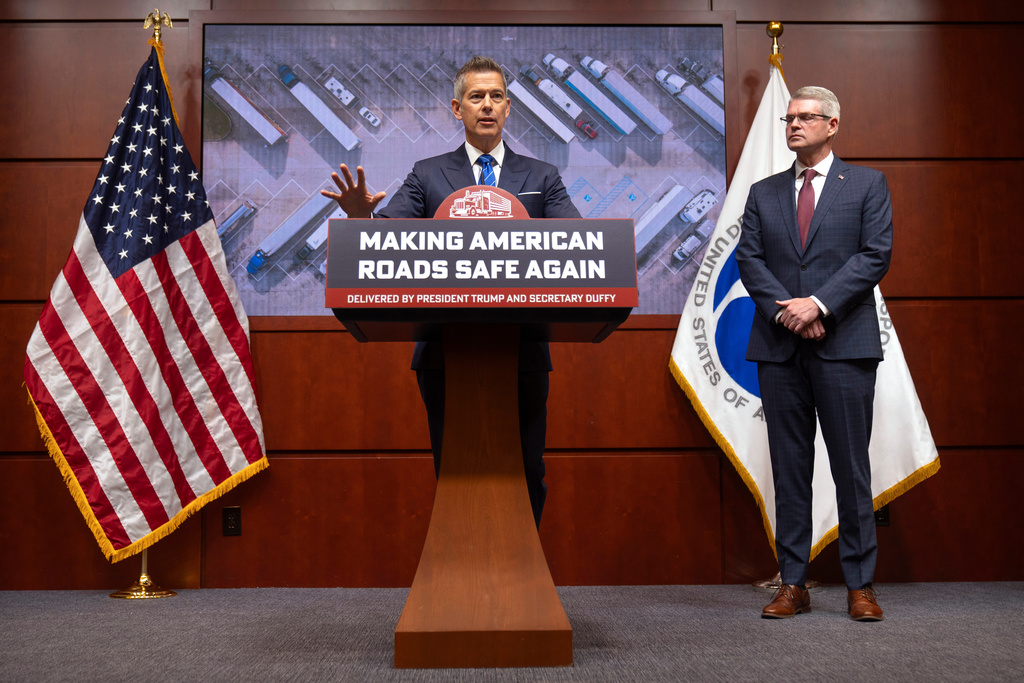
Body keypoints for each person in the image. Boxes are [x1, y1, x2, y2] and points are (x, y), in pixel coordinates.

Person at [322, 56, 580, 528]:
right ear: (457, 109)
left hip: (520, 350)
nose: (488, 105)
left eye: (497, 96)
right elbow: (384, 243)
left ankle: (521, 582)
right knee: (456, 469)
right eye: (477, 97)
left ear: (508, 108)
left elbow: (580, 248)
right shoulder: (428, 174)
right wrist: (359, 219)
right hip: (445, 349)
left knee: (527, 469)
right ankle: (460, 579)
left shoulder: (542, 178)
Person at [735, 86, 893, 621]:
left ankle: (860, 585)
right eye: (790, 117)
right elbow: (749, 261)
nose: (795, 124)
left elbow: (875, 255)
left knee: (851, 469)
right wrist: (790, 313)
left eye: (807, 117)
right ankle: (793, 582)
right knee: (790, 467)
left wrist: (819, 306)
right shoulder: (763, 191)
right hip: (781, 348)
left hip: (845, 345)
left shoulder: (868, 185)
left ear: (833, 126)